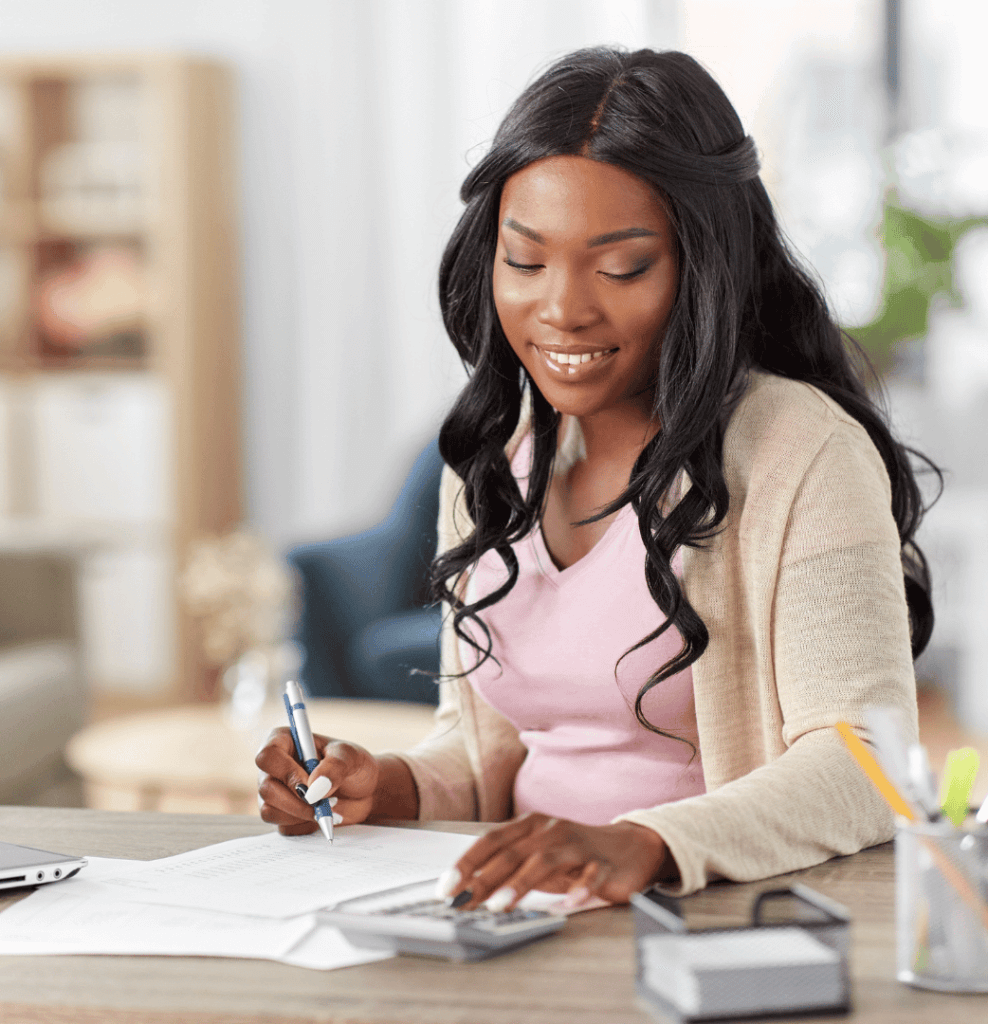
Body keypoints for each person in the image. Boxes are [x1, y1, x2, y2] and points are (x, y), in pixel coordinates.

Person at [256, 46, 934, 909]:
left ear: (704, 267)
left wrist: (643, 845)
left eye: (620, 267)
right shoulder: (495, 464)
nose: (563, 308)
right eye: (527, 261)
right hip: (521, 920)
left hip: (713, 919)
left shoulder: (799, 450)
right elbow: (484, 757)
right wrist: (381, 785)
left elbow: (861, 762)